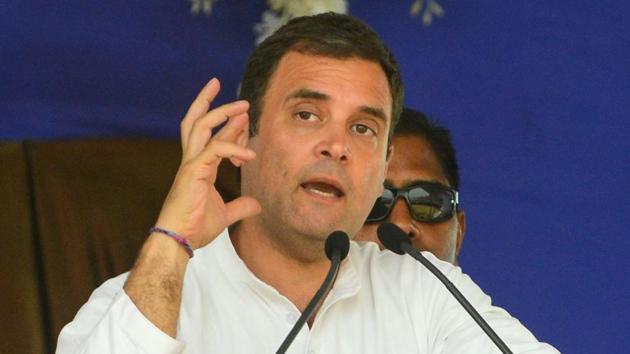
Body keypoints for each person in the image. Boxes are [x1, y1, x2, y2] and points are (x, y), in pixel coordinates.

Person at [57, 13, 558, 353]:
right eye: (307, 114)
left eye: (362, 128)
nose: (336, 146)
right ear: (243, 133)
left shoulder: (424, 290)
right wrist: (172, 242)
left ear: (382, 164)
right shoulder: (141, 299)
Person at [355, 108, 466, 265]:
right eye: (376, 203)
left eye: (426, 202)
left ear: (459, 234)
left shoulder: (469, 291)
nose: (401, 224)